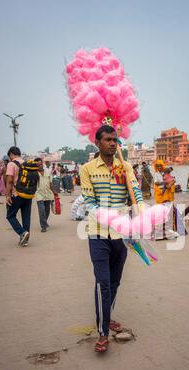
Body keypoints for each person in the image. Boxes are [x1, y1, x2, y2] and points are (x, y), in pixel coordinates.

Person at [81, 125, 143, 353]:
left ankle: (107, 315)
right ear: (97, 142)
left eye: (115, 140)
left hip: (122, 236)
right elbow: (89, 202)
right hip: (98, 235)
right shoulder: (86, 169)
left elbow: (135, 192)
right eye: (107, 140)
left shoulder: (125, 167)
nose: (112, 143)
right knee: (103, 283)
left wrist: (140, 209)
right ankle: (103, 331)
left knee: (115, 282)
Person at [6, 146, 38, 246]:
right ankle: (25, 241)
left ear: (11, 154)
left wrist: (7, 195)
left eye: (10, 156)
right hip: (28, 195)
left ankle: (22, 233)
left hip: (17, 194)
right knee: (26, 217)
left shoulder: (11, 164)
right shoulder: (26, 164)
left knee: (10, 216)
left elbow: (9, 180)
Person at [34, 158, 56, 232]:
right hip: (39, 194)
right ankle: (43, 226)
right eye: (38, 164)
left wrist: (54, 192)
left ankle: (45, 221)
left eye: (40, 164)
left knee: (47, 210)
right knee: (41, 211)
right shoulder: (34, 174)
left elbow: (50, 183)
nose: (40, 166)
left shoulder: (47, 172)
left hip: (48, 194)